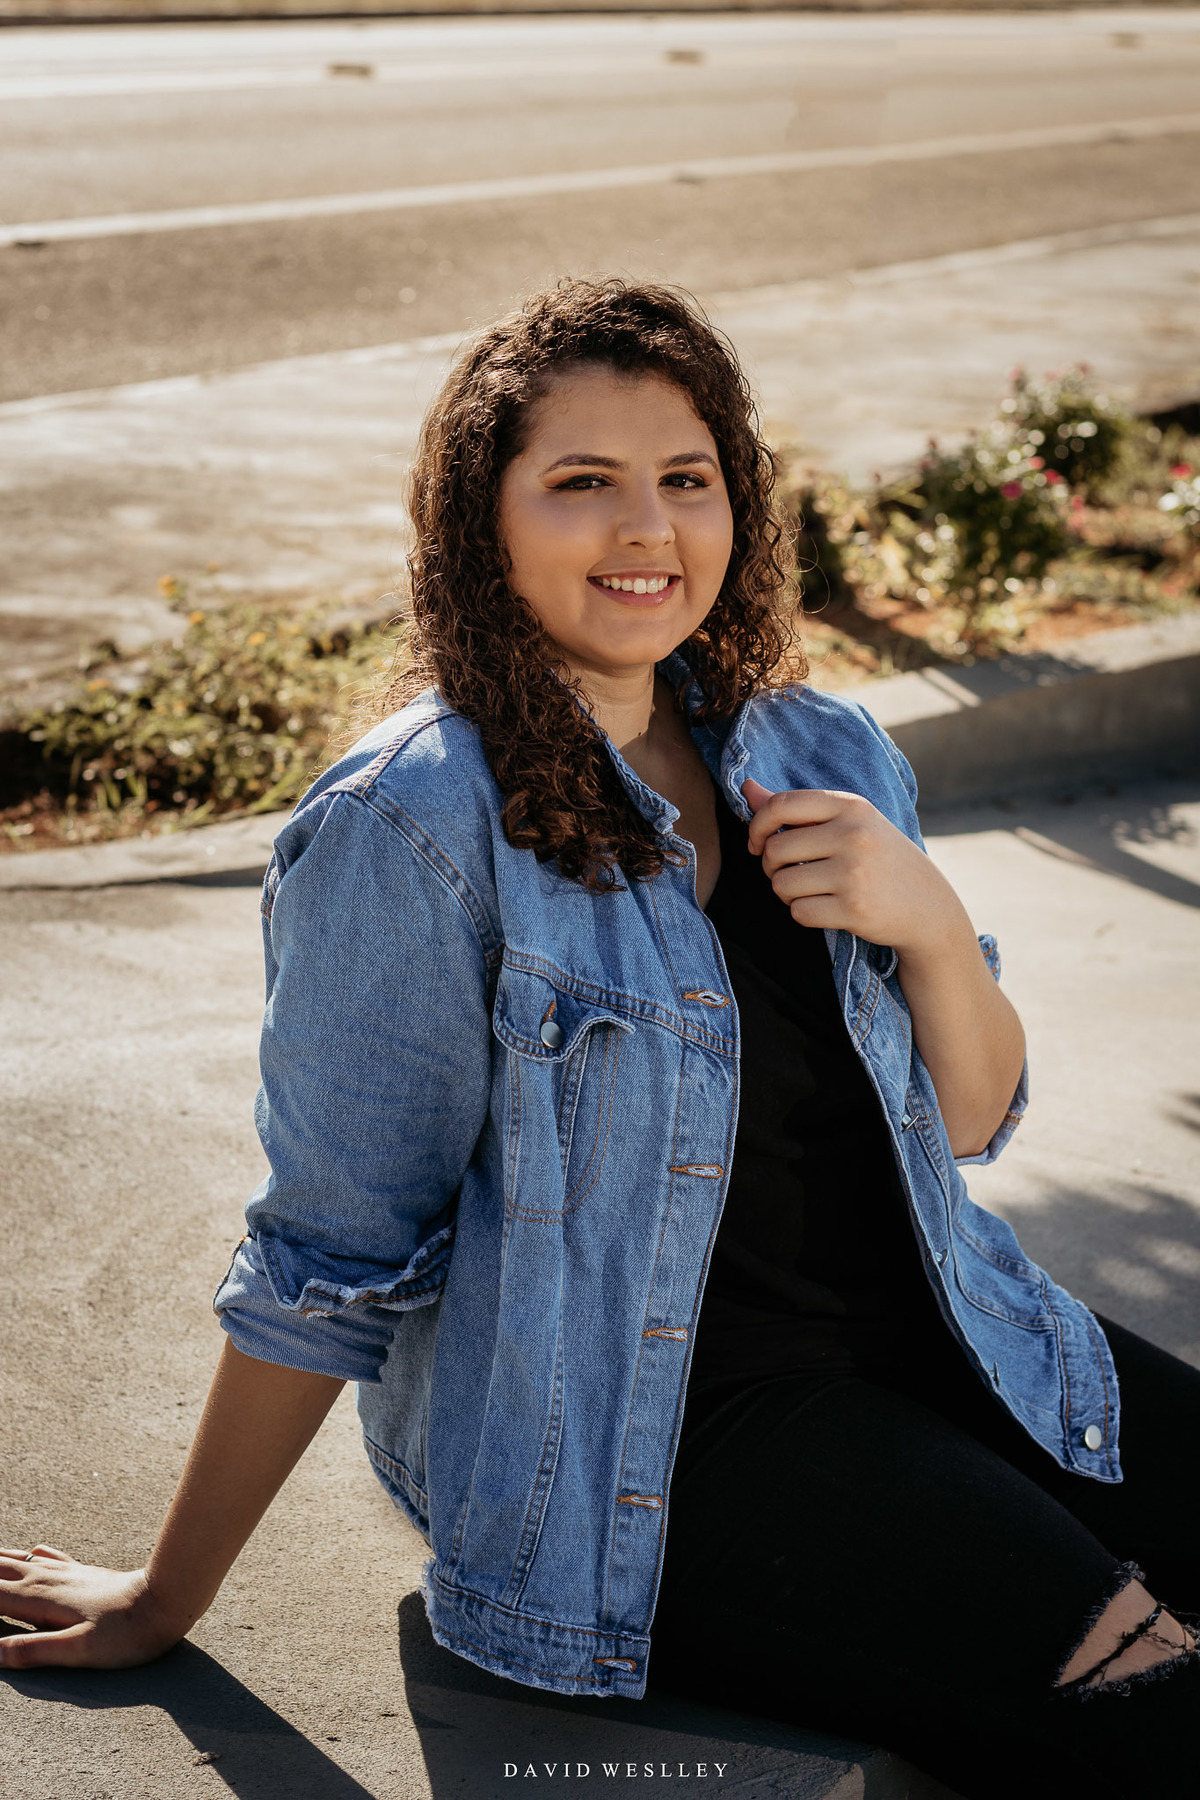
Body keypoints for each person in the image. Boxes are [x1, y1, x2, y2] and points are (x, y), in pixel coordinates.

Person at [2, 280, 1196, 1798]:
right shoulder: (411, 825)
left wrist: (935, 928)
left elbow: (967, 1122)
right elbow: (333, 1251)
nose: (648, 528)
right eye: (582, 482)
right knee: (1153, 1697)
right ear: (480, 523)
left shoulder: (816, 746)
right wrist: (165, 1599)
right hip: (661, 1449)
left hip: (947, 1332)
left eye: (687, 478)